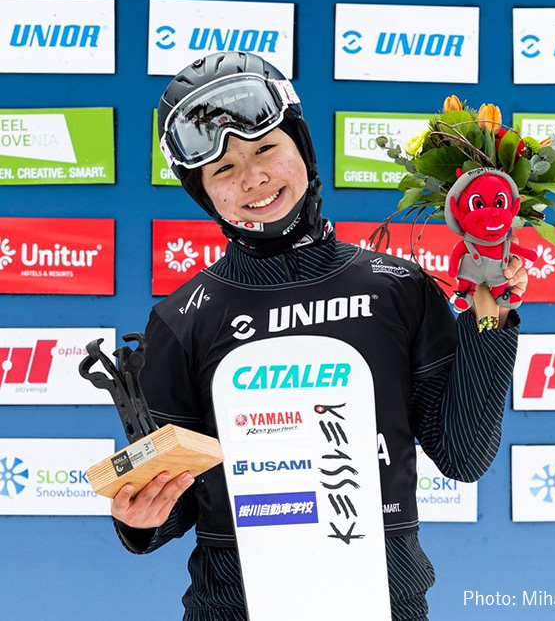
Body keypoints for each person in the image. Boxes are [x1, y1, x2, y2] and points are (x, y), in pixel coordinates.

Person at [111, 51, 526, 621]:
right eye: (223, 170)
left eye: (264, 149)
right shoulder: (184, 317)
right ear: (204, 193)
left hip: (386, 604)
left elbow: (463, 455)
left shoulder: (398, 289)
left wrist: (490, 312)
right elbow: (171, 507)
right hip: (232, 609)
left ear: (302, 147)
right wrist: (139, 519)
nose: (252, 178)